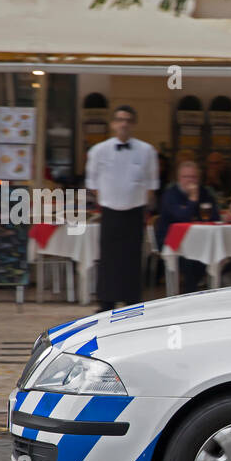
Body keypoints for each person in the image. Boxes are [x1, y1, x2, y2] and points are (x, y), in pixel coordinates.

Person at [85, 105, 158, 311]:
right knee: (108, 258)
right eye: (120, 119)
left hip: (135, 212)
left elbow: (151, 184)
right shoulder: (98, 151)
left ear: (133, 124)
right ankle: (106, 302)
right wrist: (111, 201)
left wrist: (136, 202)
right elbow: (93, 185)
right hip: (109, 212)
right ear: (113, 123)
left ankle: (132, 302)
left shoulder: (147, 151)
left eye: (128, 120)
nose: (124, 123)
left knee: (132, 258)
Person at [156, 159, 218, 295]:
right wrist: (193, 199)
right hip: (172, 241)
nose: (190, 180)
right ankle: (189, 292)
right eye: (186, 177)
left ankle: (213, 291)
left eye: (193, 177)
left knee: (216, 253)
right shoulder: (170, 194)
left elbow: (214, 216)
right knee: (191, 258)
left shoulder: (205, 192)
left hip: (200, 240)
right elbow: (181, 217)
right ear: (179, 178)